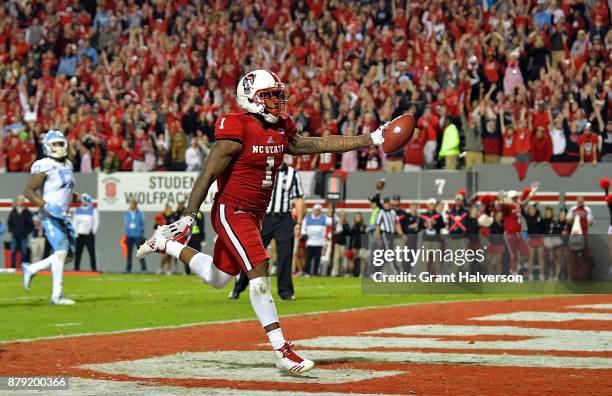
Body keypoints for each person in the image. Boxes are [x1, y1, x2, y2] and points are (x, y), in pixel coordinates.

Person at [137, 69, 390, 374]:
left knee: (218, 278)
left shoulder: (282, 126)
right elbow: (207, 174)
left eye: (277, 95)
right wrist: (190, 215)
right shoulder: (236, 126)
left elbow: (317, 144)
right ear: (249, 98)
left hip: (254, 214)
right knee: (260, 268)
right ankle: (281, 349)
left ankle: (164, 243)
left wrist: (372, 138)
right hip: (231, 211)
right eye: (268, 96)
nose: (276, 102)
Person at [229, 158, 305, 299]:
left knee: (286, 255)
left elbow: (299, 199)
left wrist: (299, 222)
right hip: (265, 217)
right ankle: (238, 287)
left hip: (284, 218)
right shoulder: (262, 170)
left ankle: (286, 292)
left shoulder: (293, 173)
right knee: (251, 253)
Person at [22, 131, 79, 305]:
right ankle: (57, 295)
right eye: (55, 144)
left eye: (61, 144)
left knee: (67, 255)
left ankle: (31, 268)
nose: (59, 148)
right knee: (61, 252)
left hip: (63, 216)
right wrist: (45, 205)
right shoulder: (44, 165)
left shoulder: (68, 164)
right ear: (47, 146)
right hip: (49, 215)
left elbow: (66, 191)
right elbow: (28, 191)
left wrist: (81, 198)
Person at [73, 193, 99, 271]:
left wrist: (93, 231)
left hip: (89, 235)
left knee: (91, 252)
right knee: (78, 252)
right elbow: (74, 222)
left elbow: (96, 221)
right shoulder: (77, 210)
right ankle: (76, 268)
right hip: (79, 235)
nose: (83, 202)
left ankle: (94, 269)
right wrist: (75, 232)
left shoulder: (93, 210)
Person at [302, 204, 328, 276]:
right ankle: (307, 272)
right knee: (308, 258)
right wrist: (304, 234)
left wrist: (325, 241)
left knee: (317, 259)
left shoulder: (324, 219)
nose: (317, 211)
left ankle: (315, 272)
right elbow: (303, 228)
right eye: (316, 210)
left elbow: (327, 230)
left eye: (318, 210)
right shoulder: (307, 218)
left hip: (320, 243)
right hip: (310, 242)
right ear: (313, 210)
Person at [8, 195, 33, 268]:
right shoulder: (13, 211)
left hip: (24, 235)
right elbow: (10, 222)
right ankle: (13, 266)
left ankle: (23, 266)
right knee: (13, 251)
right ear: (17, 201)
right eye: (19, 200)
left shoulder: (27, 212)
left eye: (22, 200)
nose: (20, 202)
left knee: (24, 251)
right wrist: (11, 230)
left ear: (23, 202)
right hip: (14, 235)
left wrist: (27, 232)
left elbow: (30, 224)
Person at [124, 200, 146, 273]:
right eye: (130, 204)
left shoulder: (140, 213)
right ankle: (128, 269)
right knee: (129, 254)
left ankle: (143, 268)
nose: (131, 205)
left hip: (138, 235)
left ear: (136, 205)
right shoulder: (127, 213)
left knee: (140, 253)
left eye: (133, 204)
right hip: (129, 235)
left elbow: (142, 224)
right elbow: (126, 223)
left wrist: (141, 233)